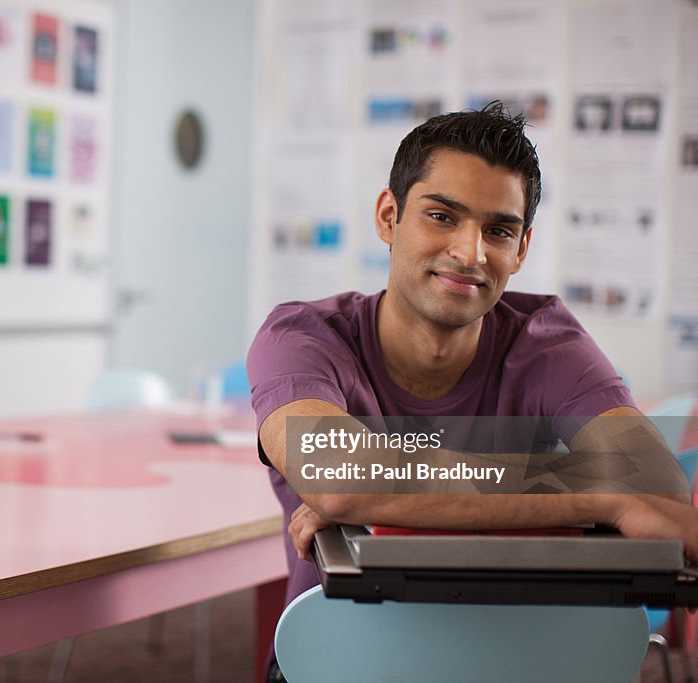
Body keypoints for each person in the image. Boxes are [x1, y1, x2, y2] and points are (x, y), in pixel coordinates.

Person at [247, 102, 698, 681]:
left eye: (499, 230)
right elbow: (340, 473)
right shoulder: (302, 336)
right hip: (344, 657)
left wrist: (387, 492)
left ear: (522, 248)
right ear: (389, 216)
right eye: (442, 216)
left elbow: (652, 480)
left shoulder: (547, 340)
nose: (471, 252)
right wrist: (601, 497)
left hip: (516, 655)